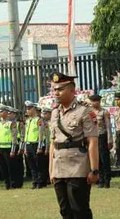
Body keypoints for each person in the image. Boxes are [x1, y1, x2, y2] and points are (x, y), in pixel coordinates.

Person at [48, 72, 99, 219]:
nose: (56, 93)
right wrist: (51, 170)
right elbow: (53, 142)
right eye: (54, 89)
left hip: (78, 167)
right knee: (65, 210)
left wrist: (94, 170)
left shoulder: (85, 111)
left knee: (79, 209)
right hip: (59, 167)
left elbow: (92, 142)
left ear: (72, 90)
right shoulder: (55, 113)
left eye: (60, 89)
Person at [89, 94, 112, 188]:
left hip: (102, 136)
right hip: (93, 137)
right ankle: (100, 180)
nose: (94, 103)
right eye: (93, 101)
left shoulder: (104, 112)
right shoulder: (90, 113)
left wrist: (110, 139)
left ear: (99, 101)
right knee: (96, 159)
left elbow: (108, 126)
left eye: (96, 101)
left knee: (104, 159)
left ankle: (107, 180)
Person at [0, 105, 18, 190]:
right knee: (3, 167)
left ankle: (13, 184)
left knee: (10, 167)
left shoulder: (11, 123)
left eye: (2, 111)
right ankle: (7, 183)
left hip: (8, 148)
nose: (1, 113)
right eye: (0, 111)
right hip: (1, 147)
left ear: (7, 112)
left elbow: (14, 137)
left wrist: (13, 150)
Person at [24, 101, 43, 189]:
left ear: (34, 109)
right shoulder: (28, 121)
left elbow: (41, 134)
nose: (28, 110)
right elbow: (26, 135)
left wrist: (39, 146)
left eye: (29, 108)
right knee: (31, 165)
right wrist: (24, 147)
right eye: (27, 108)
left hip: (35, 144)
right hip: (28, 144)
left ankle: (39, 182)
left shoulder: (39, 120)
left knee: (38, 164)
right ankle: (34, 181)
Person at [38, 108, 52, 188]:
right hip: (47, 144)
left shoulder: (53, 122)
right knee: (45, 163)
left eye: (46, 113)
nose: (44, 115)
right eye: (43, 113)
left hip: (54, 144)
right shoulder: (43, 123)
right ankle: (47, 179)